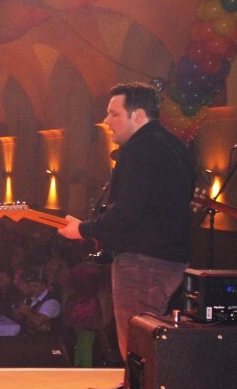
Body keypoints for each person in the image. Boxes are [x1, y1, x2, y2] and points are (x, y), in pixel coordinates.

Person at [59, 82, 195, 360]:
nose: (106, 121)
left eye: (114, 114)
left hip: (142, 264)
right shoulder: (175, 146)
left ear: (139, 115)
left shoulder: (139, 148)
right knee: (152, 342)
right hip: (172, 260)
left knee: (137, 347)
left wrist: (83, 230)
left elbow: (127, 212)